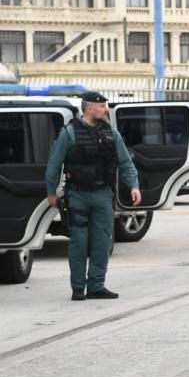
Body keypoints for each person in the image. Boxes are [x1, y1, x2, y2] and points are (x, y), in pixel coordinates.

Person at [45, 91, 142, 300]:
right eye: (102, 106)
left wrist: (134, 185)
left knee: (102, 241)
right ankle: (78, 288)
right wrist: (51, 192)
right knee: (79, 242)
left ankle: (97, 285)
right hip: (77, 195)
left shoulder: (111, 133)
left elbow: (126, 162)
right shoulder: (69, 133)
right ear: (89, 109)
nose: (106, 110)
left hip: (102, 195)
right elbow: (54, 165)